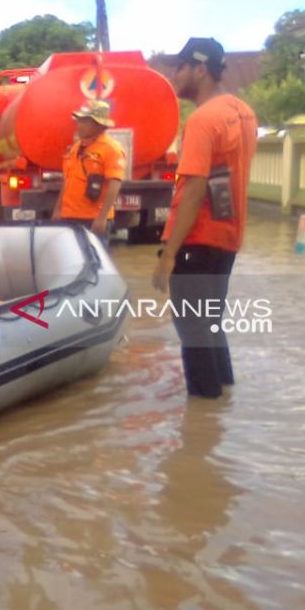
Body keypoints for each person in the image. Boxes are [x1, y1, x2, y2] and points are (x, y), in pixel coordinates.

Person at [152, 37, 258, 399]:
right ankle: (223, 398)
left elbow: (194, 189)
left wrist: (168, 256)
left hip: (196, 241)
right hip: (228, 239)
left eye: (179, 67)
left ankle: (204, 420)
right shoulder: (243, 113)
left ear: (200, 69)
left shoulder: (202, 120)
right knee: (210, 324)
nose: (174, 75)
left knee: (193, 332)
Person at [51, 99, 127, 244]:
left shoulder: (111, 149)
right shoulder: (75, 148)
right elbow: (67, 181)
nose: (79, 125)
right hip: (69, 217)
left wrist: (102, 217)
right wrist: (58, 209)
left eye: (85, 122)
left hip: (92, 219)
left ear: (99, 125)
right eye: (79, 121)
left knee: (93, 263)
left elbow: (114, 184)